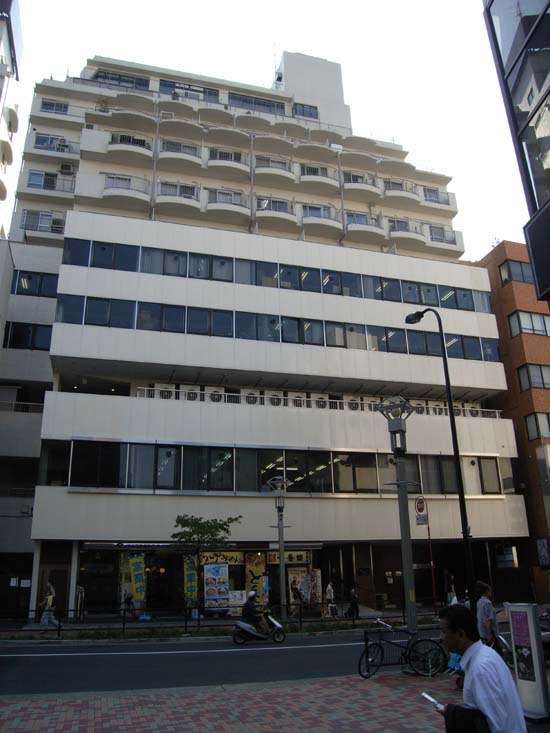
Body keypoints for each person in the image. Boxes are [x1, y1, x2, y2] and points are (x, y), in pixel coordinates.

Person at [437, 604, 526, 733]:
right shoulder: (485, 656)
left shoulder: (480, 669)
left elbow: (497, 725)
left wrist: (453, 714)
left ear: (461, 634)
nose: (440, 637)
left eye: (444, 631)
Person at [476, 581, 500, 652]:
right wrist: (489, 634)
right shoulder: (488, 603)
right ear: (487, 591)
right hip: (489, 632)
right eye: (490, 590)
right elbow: (488, 620)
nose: (491, 592)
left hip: (482, 631)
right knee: (496, 651)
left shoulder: (479, 602)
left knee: (486, 651)